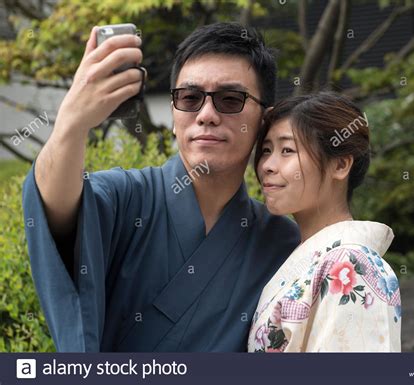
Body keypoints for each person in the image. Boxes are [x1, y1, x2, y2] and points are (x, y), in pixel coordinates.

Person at [22, 22, 300, 352]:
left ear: (263, 121)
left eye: (229, 99)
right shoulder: (124, 198)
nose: (206, 114)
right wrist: (72, 122)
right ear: (173, 114)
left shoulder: (281, 244)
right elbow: (53, 202)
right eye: (190, 98)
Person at [247, 92, 402, 352]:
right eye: (266, 150)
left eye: (287, 150)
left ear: (340, 165)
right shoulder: (313, 258)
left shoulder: (351, 265)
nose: (267, 166)